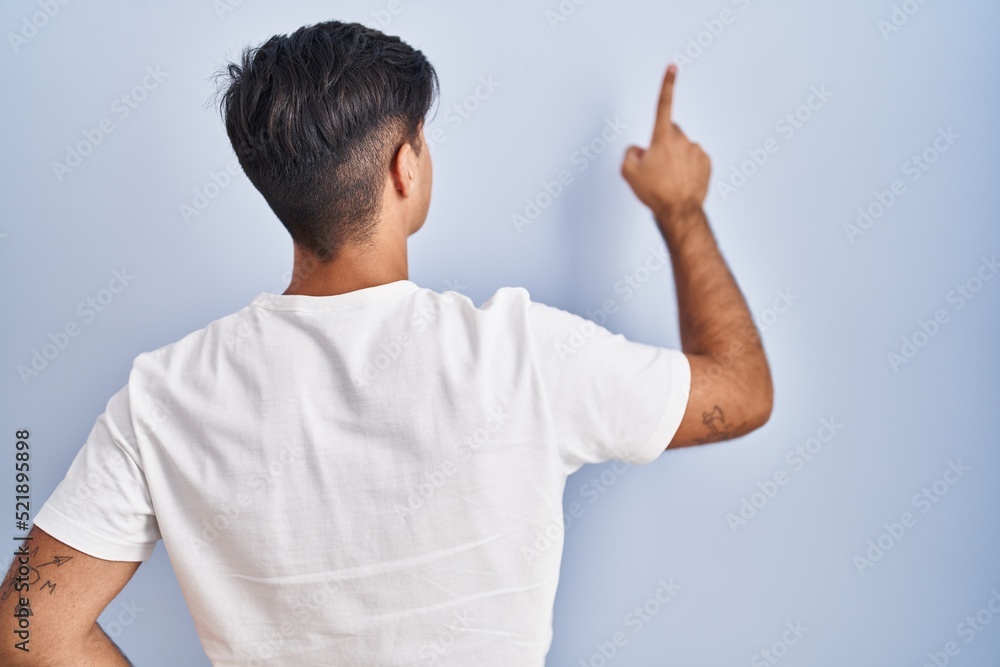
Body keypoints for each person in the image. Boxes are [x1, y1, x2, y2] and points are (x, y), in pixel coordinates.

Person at [0, 19, 772, 667]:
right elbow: (742, 392)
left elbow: (26, 631)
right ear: (406, 166)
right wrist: (681, 211)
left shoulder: (163, 396)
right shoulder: (525, 353)